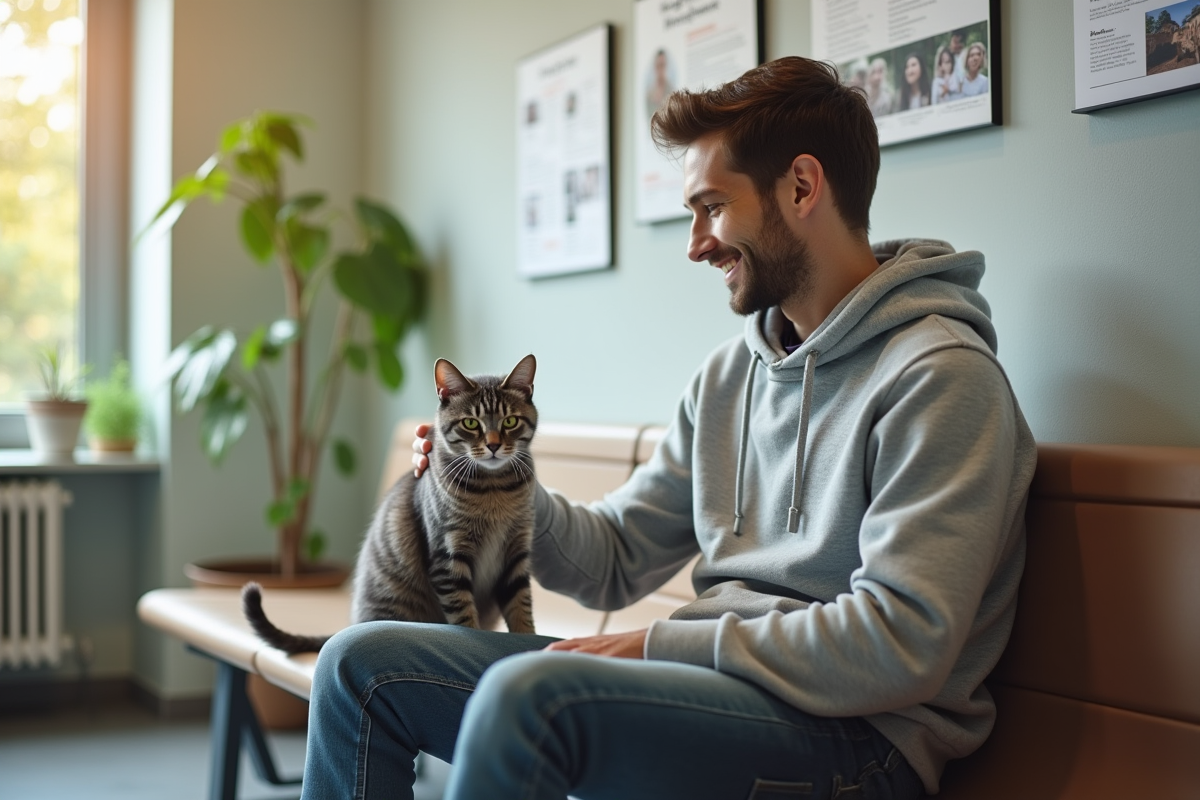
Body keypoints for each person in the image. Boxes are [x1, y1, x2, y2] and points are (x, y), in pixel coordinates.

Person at [302, 56, 1036, 800]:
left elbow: (901, 642)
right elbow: (617, 556)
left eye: (711, 207)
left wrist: (657, 644)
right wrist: (492, 488)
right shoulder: (729, 376)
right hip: (708, 686)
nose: (696, 243)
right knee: (359, 665)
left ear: (803, 187)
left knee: (531, 694)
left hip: (860, 741)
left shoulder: (940, 376)